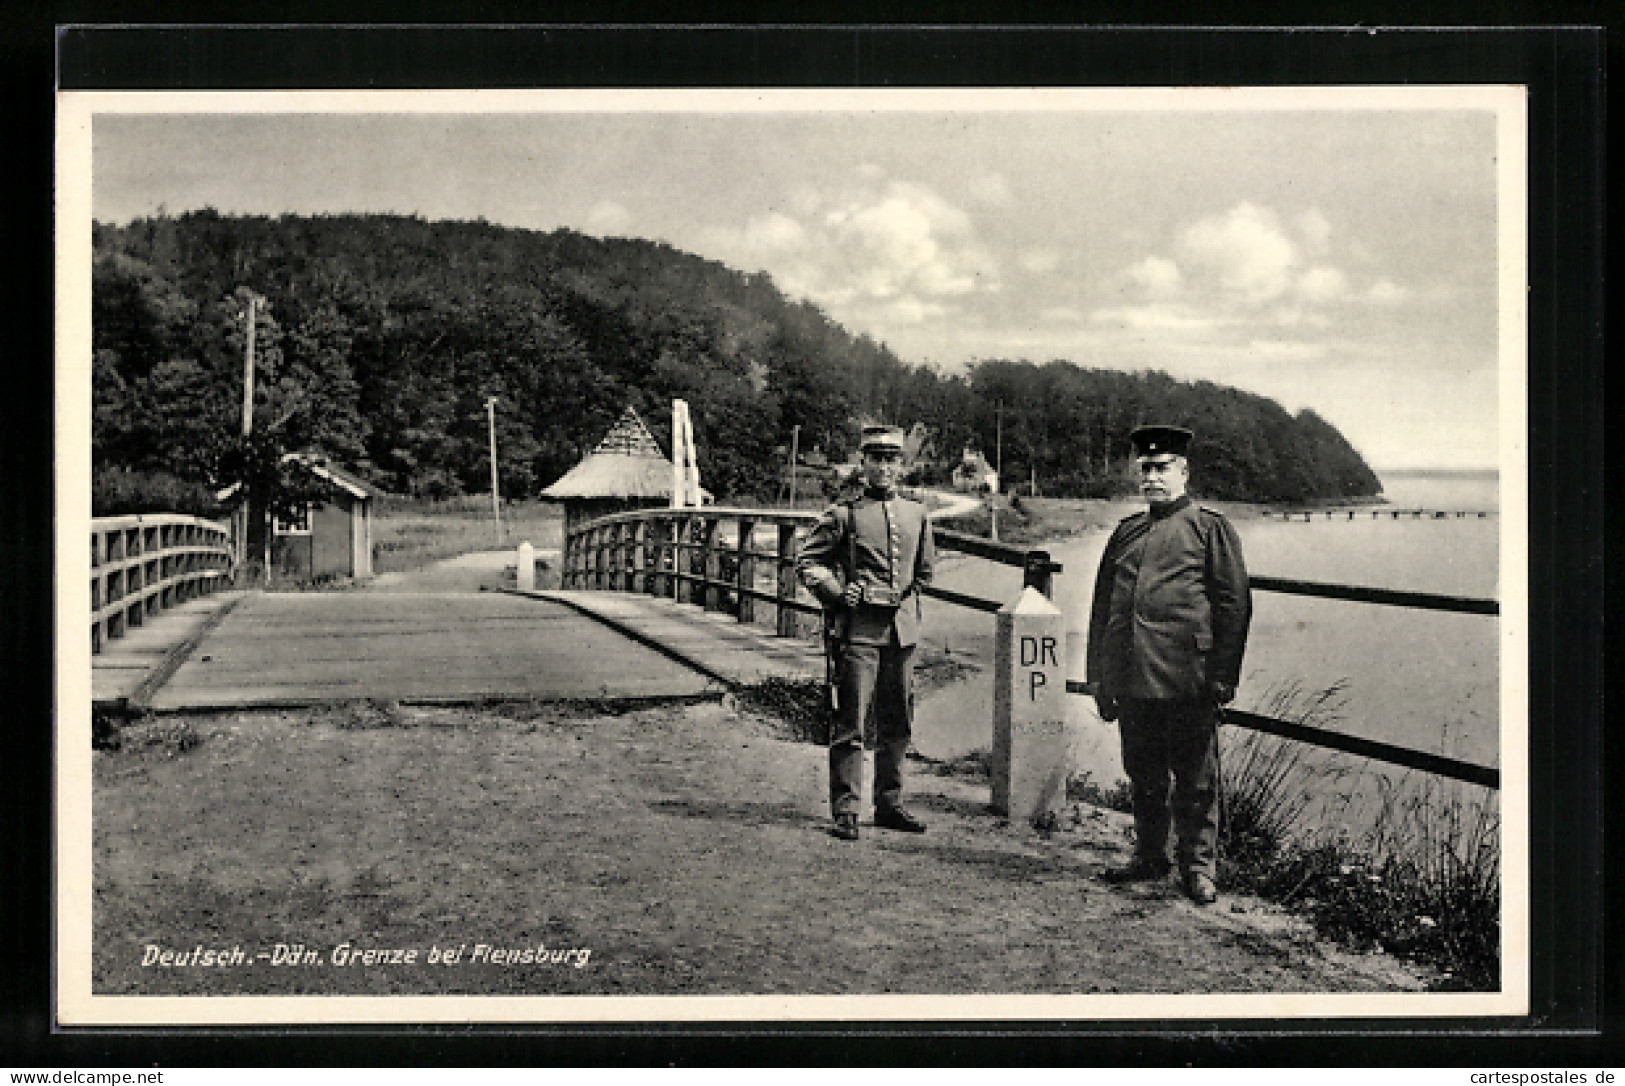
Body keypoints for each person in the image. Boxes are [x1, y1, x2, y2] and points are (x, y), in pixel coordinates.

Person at [1085, 424, 1252, 905]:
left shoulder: (1210, 528)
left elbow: (1234, 606)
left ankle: (1198, 869)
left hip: (1188, 678)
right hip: (1134, 676)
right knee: (1143, 773)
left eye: (1162, 469)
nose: (1152, 478)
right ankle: (1149, 856)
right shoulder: (1126, 533)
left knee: (1196, 778)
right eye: (1145, 469)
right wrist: (1100, 676)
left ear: (1183, 472)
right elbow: (1102, 609)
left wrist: (1222, 675)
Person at [797, 424, 937, 841]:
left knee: (898, 723)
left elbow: (925, 573)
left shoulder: (917, 515)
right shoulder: (845, 514)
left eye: (891, 459)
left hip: (902, 635)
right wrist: (840, 593)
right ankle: (846, 809)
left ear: (902, 466)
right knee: (852, 723)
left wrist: (905, 599)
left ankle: (889, 804)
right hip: (859, 633)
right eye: (875, 459)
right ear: (863, 464)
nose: (884, 468)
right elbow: (807, 563)